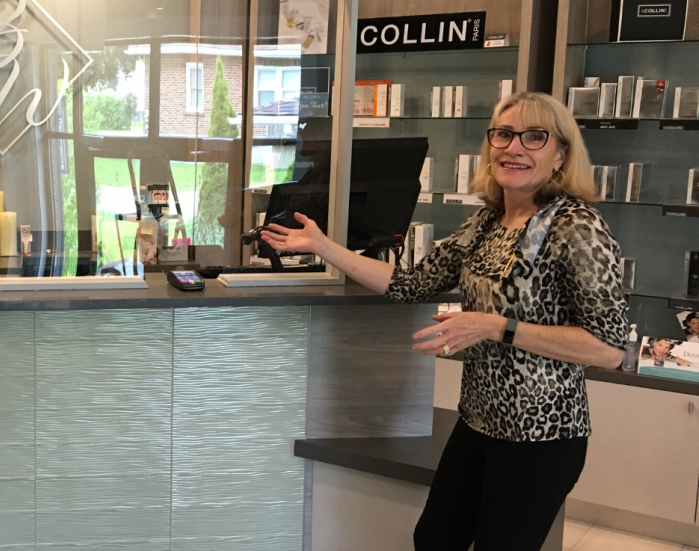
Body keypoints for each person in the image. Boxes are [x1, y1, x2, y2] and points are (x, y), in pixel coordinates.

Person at [260, 92, 627, 549]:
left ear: (561, 156)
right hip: (478, 422)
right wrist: (324, 247)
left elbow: (609, 349)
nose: (514, 148)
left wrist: (495, 326)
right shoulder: (488, 221)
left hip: (542, 436)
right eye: (504, 134)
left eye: (535, 138)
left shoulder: (577, 226)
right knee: (435, 538)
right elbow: (411, 283)